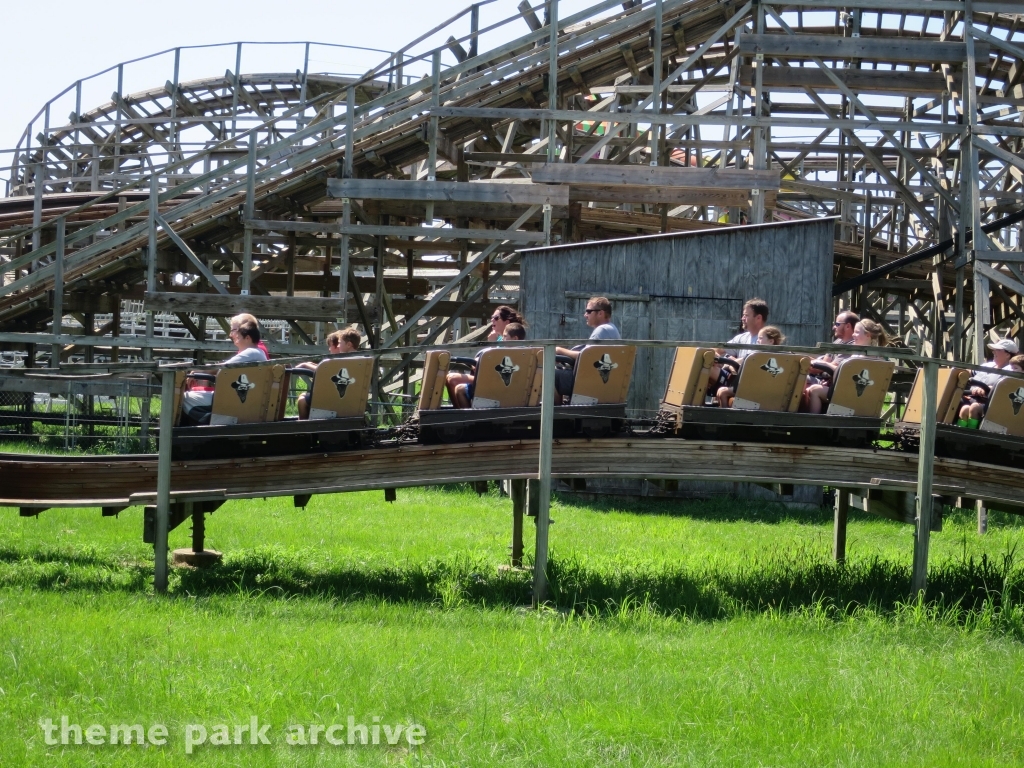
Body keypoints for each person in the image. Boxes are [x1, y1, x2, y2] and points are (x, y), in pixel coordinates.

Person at [181, 313, 267, 425]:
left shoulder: (251, 352)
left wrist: (200, 371)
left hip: (235, 398)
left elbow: (224, 367)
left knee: (183, 398)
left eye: (236, 333)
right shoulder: (256, 353)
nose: (233, 336)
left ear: (247, 337)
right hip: (240, 396)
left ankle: (213, 423)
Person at [804, 318, 888, 414]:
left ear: (868, 335)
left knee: (814, 390)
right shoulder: (878, 358)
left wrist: (824, 364)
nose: (853, 335)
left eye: (856, 332)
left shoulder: (858, 358)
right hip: (861, 395)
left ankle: (815, 422)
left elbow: (845, 375)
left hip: (849, 395)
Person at [554, 296, 620, 402]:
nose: (585, 315)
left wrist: (559, 351)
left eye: (589, 311)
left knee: (549, 373)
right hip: (599, 381)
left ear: (600, 313)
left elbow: (586, 358)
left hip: (589, 383)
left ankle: (553, 413)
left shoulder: (601, 330)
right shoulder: (611, 329)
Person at [449, 323, 528, 409]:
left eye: (505, 337)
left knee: (460, 389)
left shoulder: (504, 353)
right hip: (518, 390)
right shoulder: (527, 354)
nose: (502, 340)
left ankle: (470, 419)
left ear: (515, 338)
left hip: (497, 388)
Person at [706, 298, 770, 401]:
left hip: (747, 384)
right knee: (704, 362)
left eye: (746, 315)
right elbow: (720, 349)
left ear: (758, 318)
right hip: (735, 379)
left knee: (706, 369)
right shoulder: (742, 338)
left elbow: (751, 362)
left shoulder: (765, 340)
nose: (742, 318)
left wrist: (728, 363)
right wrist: (713, 356)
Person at [296, 327, 361, 420]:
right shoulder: (360, 360)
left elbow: (327, 371)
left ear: (349, 344)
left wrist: (306, 365)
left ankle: (303, 430)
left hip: (336, 398)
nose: (338, 346)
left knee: (302, 400)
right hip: (350, 398)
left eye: (339, 343)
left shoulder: (345, 360)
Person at [716, 325, 785, 408]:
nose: (758, 341)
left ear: (771, 341)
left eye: (760, 338)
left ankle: (726, 418)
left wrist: (727, 365)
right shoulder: (782, 358)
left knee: (722, 391)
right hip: (768, 392)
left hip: (753, 391)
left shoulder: (756, 357)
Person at [957, 338, 1020, 426]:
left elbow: (1004, 387)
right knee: (958, 403)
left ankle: (969, 435)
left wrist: (985, 389)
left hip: (988, 402)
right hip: (971, 396)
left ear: (1007, 354)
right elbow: (968, 372)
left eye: (997, 350)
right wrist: (957, 372)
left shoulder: (1011, 370)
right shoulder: (988, 365)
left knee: (971, 407)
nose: (993, 352)